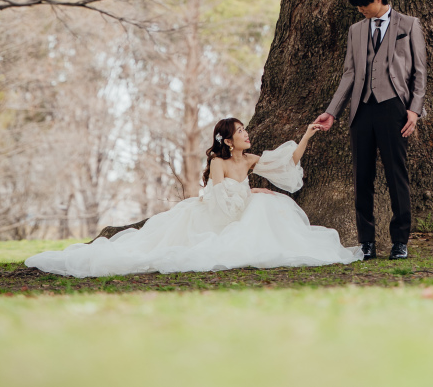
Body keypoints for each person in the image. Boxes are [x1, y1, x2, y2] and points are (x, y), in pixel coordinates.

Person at [24, 118, 362, 277]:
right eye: (241, 132)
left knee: (271, 201)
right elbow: (219, 198)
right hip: (213, 214)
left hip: (237, 206)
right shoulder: (219, 162)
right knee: (260, 201)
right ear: (228, 141)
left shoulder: (251, 159)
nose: (247, 134)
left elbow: (286, 163)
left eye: (245, 130)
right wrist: (249, 190)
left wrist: (307, 134)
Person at [314, 0, 427, 261]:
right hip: (361, 109)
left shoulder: (409, 25)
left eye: (363, 4)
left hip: (394, 108)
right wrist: (332, 111)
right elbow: (350, 73)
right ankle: (367, 242)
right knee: (362, 177)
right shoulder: (356, 30)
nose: (360, 10)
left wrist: (414, 110)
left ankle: (400, 241)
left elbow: (420, 72)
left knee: (396, 176)